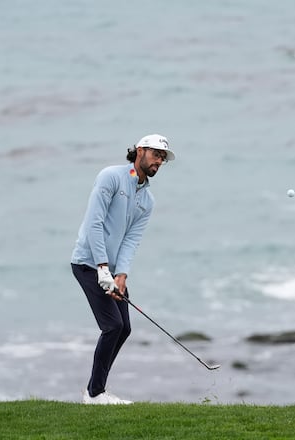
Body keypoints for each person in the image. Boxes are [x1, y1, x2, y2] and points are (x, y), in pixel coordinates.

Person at [71, 134, 175, 404]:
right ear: (139, 151)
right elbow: (94, 222)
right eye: (155, 154)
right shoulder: (111, 177)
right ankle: (95, 393)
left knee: (124, 327)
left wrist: (121, 274)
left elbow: (131, 240)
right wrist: (102, 268)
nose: (159, 161)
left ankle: (95, 390)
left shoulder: (147, 200)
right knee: (112, 326)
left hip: (112, 270)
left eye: (163, 158)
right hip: (87, 263)